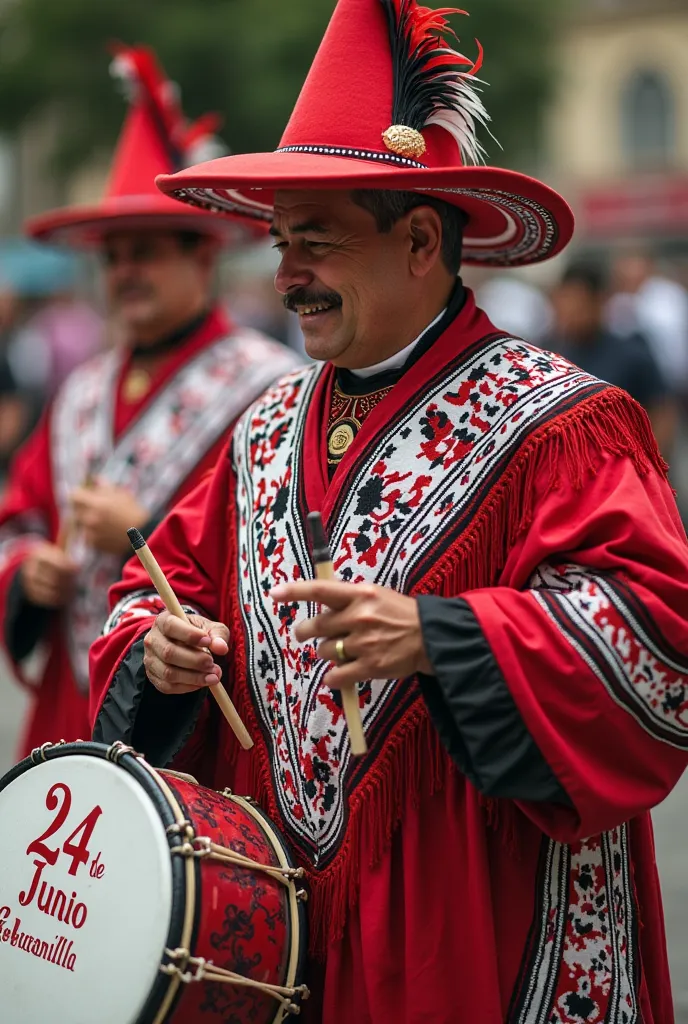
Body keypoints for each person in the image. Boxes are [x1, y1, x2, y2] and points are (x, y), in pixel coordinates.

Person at [91, 3, 688, 1021]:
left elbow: (654, 642)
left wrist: (445, 636)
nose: (283, 278)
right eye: (278, 246)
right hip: (291, 924)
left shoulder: (561, 423)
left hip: (480, 921)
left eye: (313, 243)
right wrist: (160, 649)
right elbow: (153, 589)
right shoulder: (261, 431)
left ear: (419, 240)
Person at [0, 45, 300, 759]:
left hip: (185, 729)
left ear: (202, 256)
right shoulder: (81, 390)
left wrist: (150, 530)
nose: (125, 272)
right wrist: (27, 570)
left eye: (146, 252)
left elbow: (286, 572)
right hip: (66, 712)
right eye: (113, 257)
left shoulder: (269, 385)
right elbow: (18, 516)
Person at [548, 261, 677, 456]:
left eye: (579, 303)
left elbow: (663, 412)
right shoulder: (550, 355)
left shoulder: (631, 354)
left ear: (599, 301)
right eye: (565, 302)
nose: (570, 312)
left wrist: (648, 464)